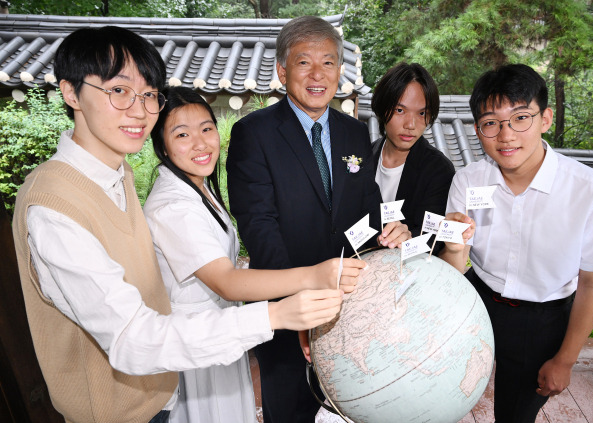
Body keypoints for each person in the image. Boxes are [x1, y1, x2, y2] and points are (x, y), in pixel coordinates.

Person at [11, 26, 344, 423]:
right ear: (70, 93)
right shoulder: (56, 205)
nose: (139, 110)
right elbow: (131, 339)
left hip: (164, 383)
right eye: (118, 91)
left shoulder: (117, 178)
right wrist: (278, 313)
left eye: (149, 94)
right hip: (119, 407)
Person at [226, 15, 411, 423]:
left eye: (328, 62)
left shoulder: (354, 132)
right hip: (286, 308)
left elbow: (367, 202)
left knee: (350, 408)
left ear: (340, 71)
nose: (317, 74)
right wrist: (301, 310)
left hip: (349, 306)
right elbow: (259, 228)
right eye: (303, 62)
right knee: (290, 410)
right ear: (282, 70)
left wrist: (392, 227)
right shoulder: (252, 134)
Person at [143, 86, 365, 423]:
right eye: (182, 134)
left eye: (206, 128)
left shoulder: (197, 187)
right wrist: (315, 275)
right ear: (161, 143)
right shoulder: (174, 206)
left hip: (220, 331)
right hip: (197, 340)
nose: (201, 143)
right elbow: (227, 282)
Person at [446, 63, 593, 422]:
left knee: (515, 416)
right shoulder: (468, 181)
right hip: (477, 298)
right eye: (491, 123)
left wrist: (565, 359)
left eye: (520, 118)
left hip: (542, 318)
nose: (506, 136)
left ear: (545, 118)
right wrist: (455, 247)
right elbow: (455, 266)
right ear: (477, 130)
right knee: (438, 390)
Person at [371, 62, 455, 255]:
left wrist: (409, 239)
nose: (411, 124)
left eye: (422, 113)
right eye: (400, 110)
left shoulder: (439, 170)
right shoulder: (364, 157)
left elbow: (434, 238)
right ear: (383, 109)